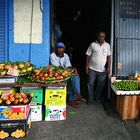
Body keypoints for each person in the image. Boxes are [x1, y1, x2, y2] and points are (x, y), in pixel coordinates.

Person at [50, 41, 85, 108]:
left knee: (75, 76)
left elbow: (68, 65)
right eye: (59, 48)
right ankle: (72, 99)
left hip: (65, 73)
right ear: (56, 48)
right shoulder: (52, 55)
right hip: (56, 74)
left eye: (62, 48)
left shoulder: (65, 55)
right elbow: (56, 68)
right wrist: (67, 70)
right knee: (70, 78)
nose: (60, 50)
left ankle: (77, 94)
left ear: (64, 49)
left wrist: (73, 69)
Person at [85, 31, 111, 103]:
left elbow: (109, 57)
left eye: (103, 36)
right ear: (97, 36)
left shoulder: (107, 45)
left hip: (102, 70)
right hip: (92, 68)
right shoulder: (92, 44)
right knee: (90, 84)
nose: (101, 37)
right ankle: (90, 98)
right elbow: (88, 55)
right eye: (100, 36)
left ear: (104, 37)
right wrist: (86, 66)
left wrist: (108, 67)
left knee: (101, 85)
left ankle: (97, 98)